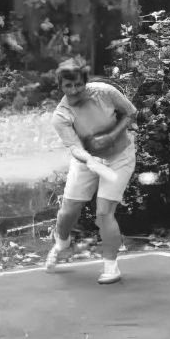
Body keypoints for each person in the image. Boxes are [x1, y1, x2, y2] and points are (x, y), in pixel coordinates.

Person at [46, 58, 139, 284]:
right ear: (61, 86)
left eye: (78, 84)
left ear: (85, 81)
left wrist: (111, 135)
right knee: (68, 212)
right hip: (85, 161)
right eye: (68, 86)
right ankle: (61, 243)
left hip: (120, 156)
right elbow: (75, 147)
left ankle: (111, 268)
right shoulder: (61, 116)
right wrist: (90, 159)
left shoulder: (105, 92)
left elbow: (131, 112)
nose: (75, 90)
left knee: (104, 213)